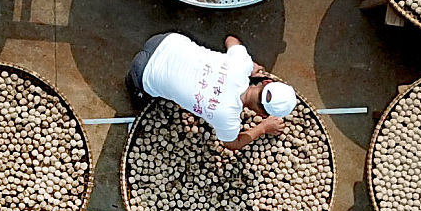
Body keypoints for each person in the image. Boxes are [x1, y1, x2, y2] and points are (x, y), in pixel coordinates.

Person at [125, 33, 297, 152]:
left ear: (266, 82)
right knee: (139, 96)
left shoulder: (241, 64)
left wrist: (250, 66)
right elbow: (232, 144)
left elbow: (231, 40)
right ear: (262, 113)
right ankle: (132, 87)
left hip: (165, 41)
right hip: (143, 72)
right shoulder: (228, 118)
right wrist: (262, 128)